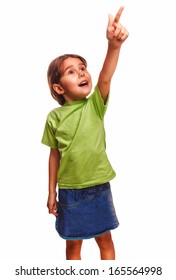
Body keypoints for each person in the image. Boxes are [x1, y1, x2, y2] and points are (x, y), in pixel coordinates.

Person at [41, 6, 129, 260]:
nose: (81, 72)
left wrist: (114, 46)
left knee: (105, 241)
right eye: (71, 71)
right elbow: (54, 156)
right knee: (72, 245)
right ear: (58, 87)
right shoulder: (54, 117)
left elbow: (105, 77)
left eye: (82, 68)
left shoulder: (95, 105)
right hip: (69, 190)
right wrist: (51, 192)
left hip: (99, 187)